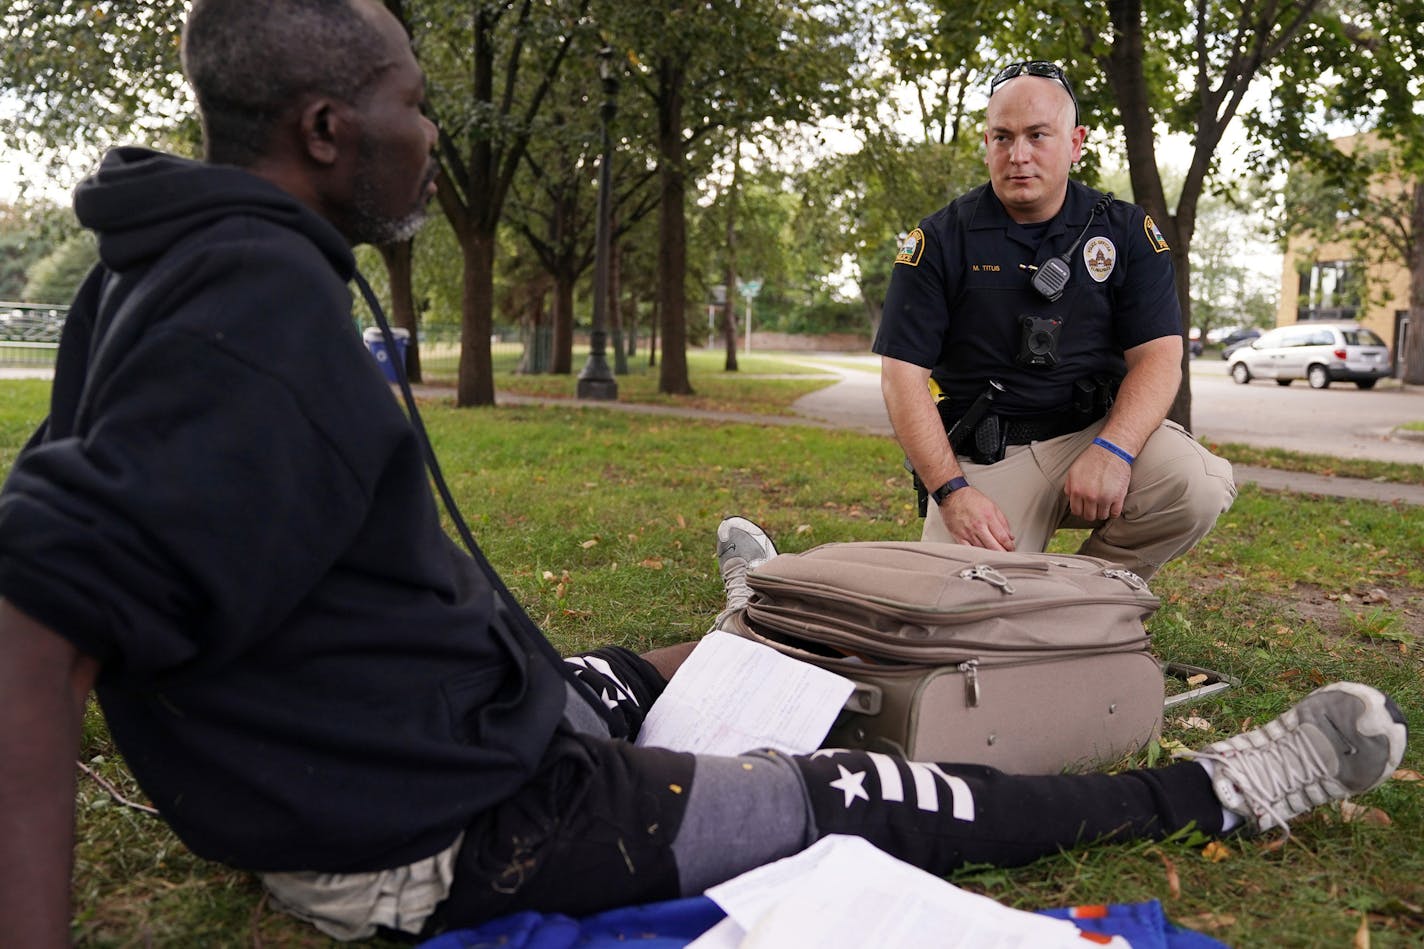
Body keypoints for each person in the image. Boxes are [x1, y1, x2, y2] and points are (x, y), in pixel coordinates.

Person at [0, 7, 1405, 943]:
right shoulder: (245, 319)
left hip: (422, 735)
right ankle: (1223, 790)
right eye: (410, 102)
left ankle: (760, 622)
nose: (432, 132)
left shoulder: (173, 267)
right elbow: (30, 625)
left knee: (630, 673)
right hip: (443, 829)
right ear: (324, 128)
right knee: (861, 786)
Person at [873, 60, 1236, 581]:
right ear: (986, 143)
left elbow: (1160, 357)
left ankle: (1083, 596)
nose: (1018, 156)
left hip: (1094, 435)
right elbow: (902, 378)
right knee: (954, 612)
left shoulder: (1127, 233)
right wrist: (952, 494)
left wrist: (1113, 450)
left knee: (1196, 483)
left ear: (1075, 142)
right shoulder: (939, 241)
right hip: (989, 459)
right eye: (1002, 137)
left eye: (1038, 135)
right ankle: (1034, 602)